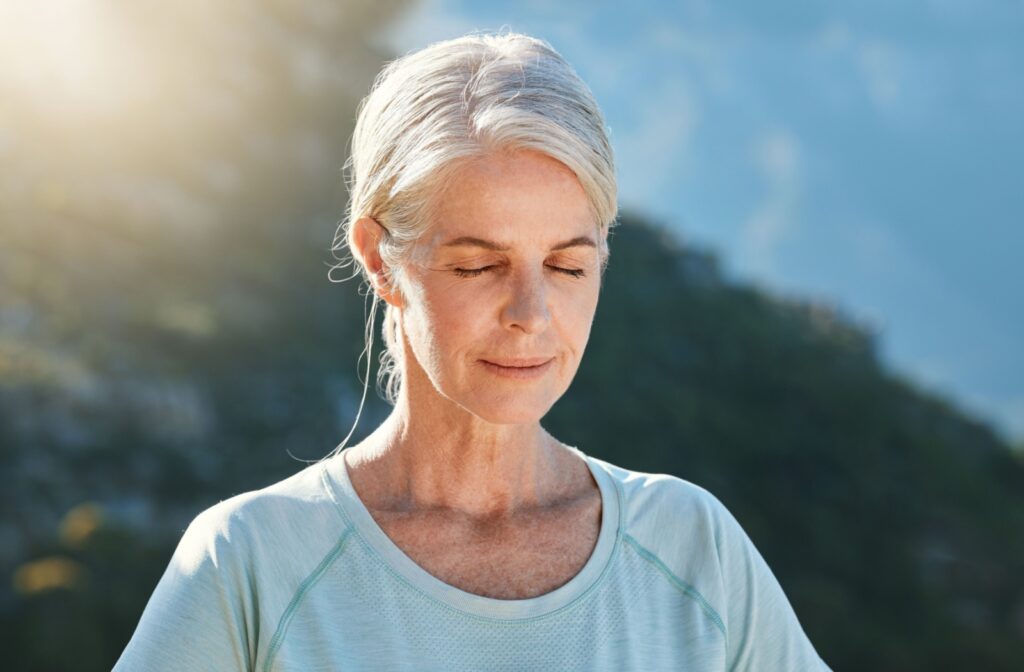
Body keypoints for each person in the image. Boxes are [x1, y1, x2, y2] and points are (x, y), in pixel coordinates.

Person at [113, 31, 831, 671]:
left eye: (568, 266)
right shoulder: (252, 565)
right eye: (478, 264)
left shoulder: (692, 550)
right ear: (381, 259)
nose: (531, 315)